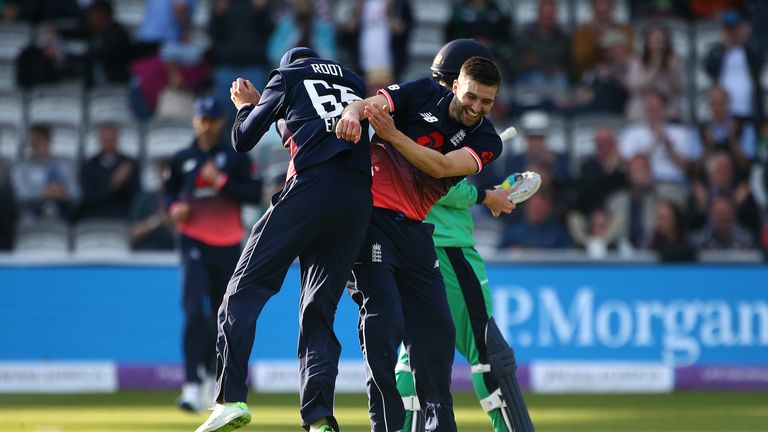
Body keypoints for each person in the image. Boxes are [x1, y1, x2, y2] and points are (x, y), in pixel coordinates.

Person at [195, 47, 372, 432]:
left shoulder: (287, 77)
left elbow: (243, 139)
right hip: (358, 200)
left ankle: (229, 399)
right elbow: (308, 125)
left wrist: (246, 106)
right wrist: (270, 107)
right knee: (319, 311)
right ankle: (320, 419)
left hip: (312, 188)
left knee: (242, 290)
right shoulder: (354, 84)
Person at [335, 55, 504, 431]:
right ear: (455, 85)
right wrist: (351, 112)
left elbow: (441, 168)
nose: (476, 108)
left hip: (415, 229)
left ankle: (438, 426)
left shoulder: (488, 139)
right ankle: (387, 426)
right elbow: (368, 107)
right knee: (385, 321)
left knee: (437, 333)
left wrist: (393, 135)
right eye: (471, 96)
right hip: (371, 218)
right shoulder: (424, 91)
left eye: (487, 102)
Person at [392, 39, 534, 432]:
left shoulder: (418, 118)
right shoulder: (445, 124)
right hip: (448, 247)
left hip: (407, 243)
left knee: (414, 353)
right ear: (457, 83)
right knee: (488, 352)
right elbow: (436, 177)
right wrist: (487, 195)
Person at [164, 96, 262, 413]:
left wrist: (220, 181)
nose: (206, 126)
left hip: (228, 243)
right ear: (194, 121)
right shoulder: (182, 158)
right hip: (193, 241)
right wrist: (174, 208)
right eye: (201, 120)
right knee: (194, 311)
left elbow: (252, 193)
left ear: (221, 122)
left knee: (225, 317)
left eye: (212, 120)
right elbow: (169, 192)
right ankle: (191, 384)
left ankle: (214, 379)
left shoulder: (235, 156)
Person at [79, 123, 141, 221]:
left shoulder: (129, 164)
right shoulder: (89, 166)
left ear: (117, 140)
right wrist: (113, 182)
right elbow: (88, 197)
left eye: (111, 140)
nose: (108, 143)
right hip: (95, 215)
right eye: (105, 140)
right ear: (99, 140)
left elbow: (135, 195)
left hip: (122, 214)